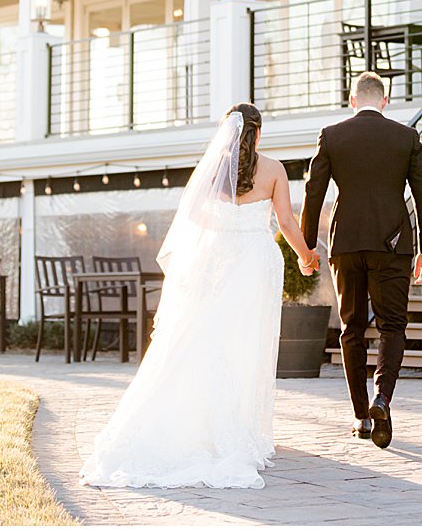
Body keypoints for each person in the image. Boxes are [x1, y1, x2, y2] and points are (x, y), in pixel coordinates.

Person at [80, 103, 316, 490]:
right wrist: (306, 256)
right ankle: (236, 429)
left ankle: (203, 423)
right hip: (255, 264)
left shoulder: (213, 169)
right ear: (257, 134)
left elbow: (192, 216)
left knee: (205, 340)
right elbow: (287, 221)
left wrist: (224, 230)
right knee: (246, 345)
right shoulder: (273, 169)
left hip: (218, 262)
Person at [301, 70, 422, 449]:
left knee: (352, 328)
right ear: (385, 101)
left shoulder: (332, 135)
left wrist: (308, 246)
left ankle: (361, 416)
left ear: (352, 100)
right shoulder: (406, 137)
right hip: (392, 244)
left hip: (345, 242)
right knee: (393, 325)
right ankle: (383, 398)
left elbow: (314, 192)